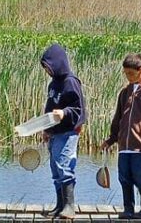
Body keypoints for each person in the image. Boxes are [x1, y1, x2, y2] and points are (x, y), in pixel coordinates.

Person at [102, 53, 141, 220]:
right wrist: (111, 139)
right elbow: (118, 118)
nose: (128, 77)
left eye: (131, 73)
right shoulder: (125, 92)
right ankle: (128, 208)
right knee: (124, 177)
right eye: (125, 73)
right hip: (125, 144)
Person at [42, 43, 86, 220]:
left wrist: (64, 112)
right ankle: (60, 204)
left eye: (48, 67)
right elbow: (49, 106)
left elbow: (78, 109)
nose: (47, 71)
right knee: (55, 168)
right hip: (54, 133)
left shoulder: (71, 82)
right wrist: (46, 128)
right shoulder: (53, 84)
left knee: (65, 165)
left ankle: (69, 205)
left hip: (68, 132)